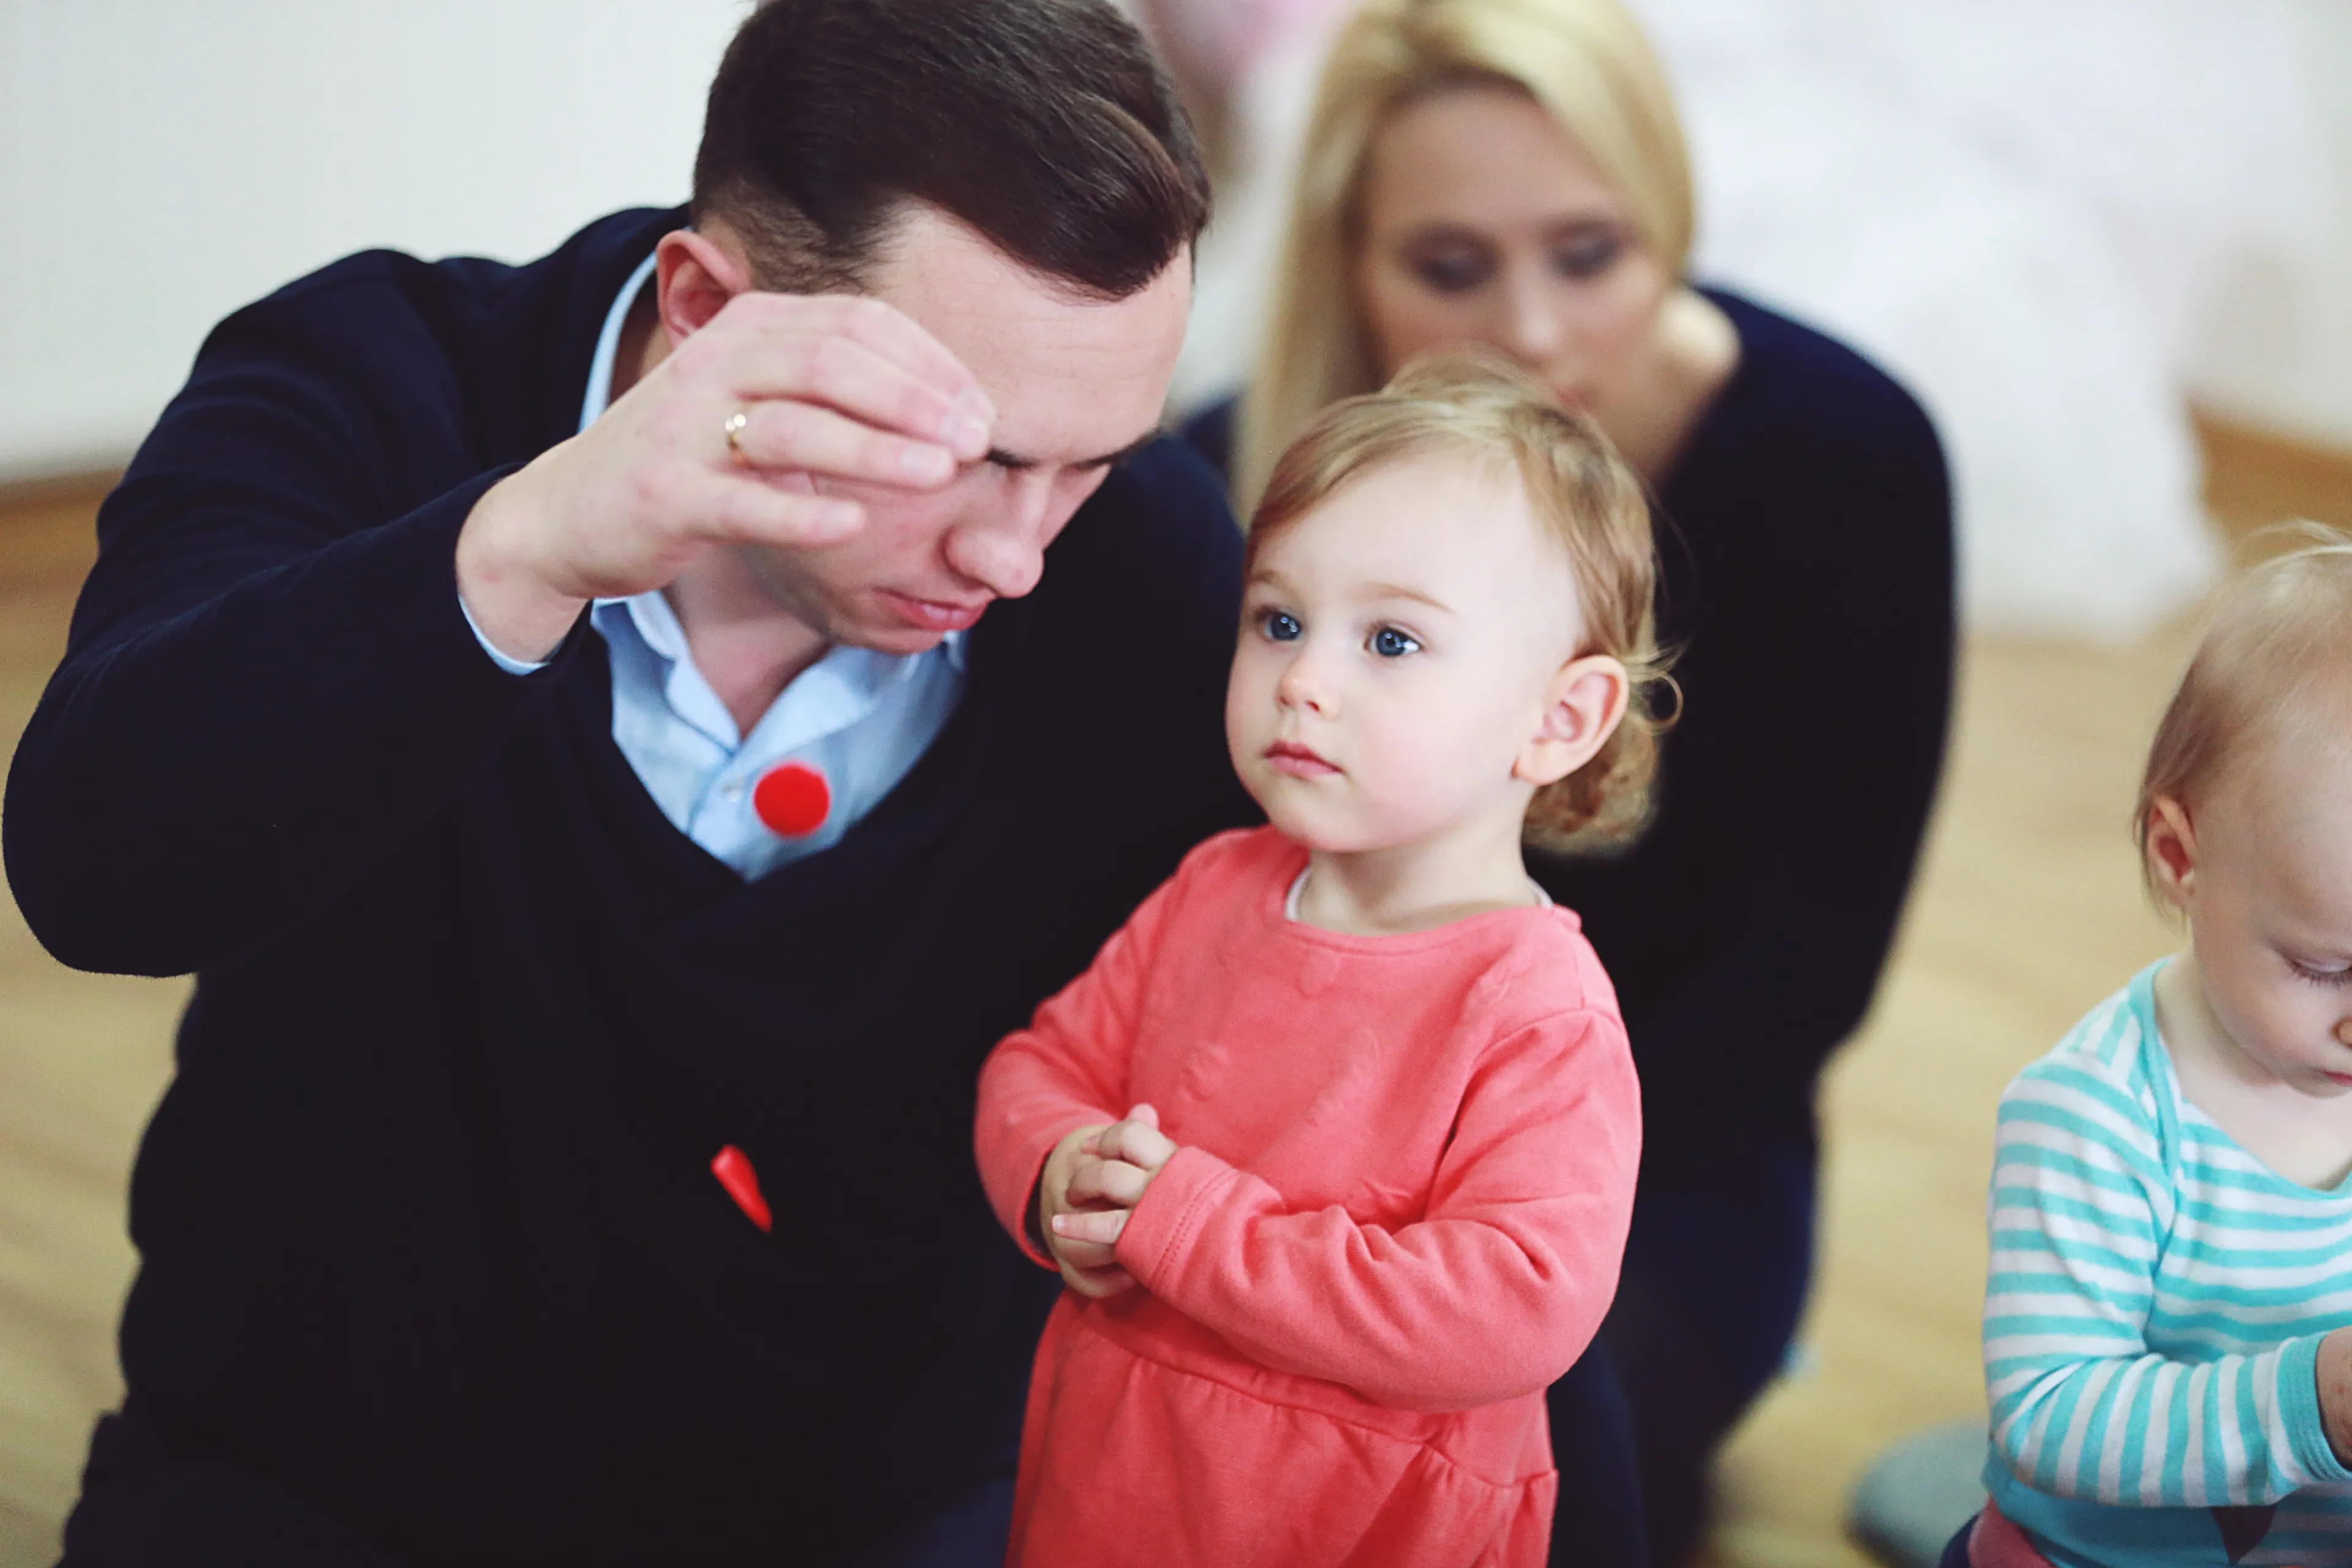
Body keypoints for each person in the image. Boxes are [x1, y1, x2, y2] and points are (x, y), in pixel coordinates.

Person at [2, 2, 1256, 1562]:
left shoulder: (1141, 566)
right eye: (969, 454)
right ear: (706, 308)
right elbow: (95, 865)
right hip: (314, 1471)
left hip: (884, 1498)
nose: (1017, 556)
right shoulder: (369, 383)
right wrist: (525, 553)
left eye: (1093, 461)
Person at [1176, 1, 1955, 1560]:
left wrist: (1486, 1194)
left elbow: (1803, 968)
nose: (1532, 329)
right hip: (1275, 1124)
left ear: (1666, 219)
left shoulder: (1848, 460)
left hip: (1657, 1141)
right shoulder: (1227, 485)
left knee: (1543, 1463)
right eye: (1451, 266)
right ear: (1354, 257)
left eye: (1589, 252)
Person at [974, 353, 1657, 1566]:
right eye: (1279, 620)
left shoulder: (1535, 1007)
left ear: (1559, 719)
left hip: (1358, 1516)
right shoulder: (1215, 887)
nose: (1304, 679)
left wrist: (1189, 1225)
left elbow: (1514, 1306)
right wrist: (1059, 1168)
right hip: (1119, 1470)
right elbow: (1042, 1061)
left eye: (1391, 640)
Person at [1949, 534, 2352, 1568]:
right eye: (2323, 968)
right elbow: (2049, 1411)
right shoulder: (2099, 1114)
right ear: (2182, 858)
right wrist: (2306, 1404)